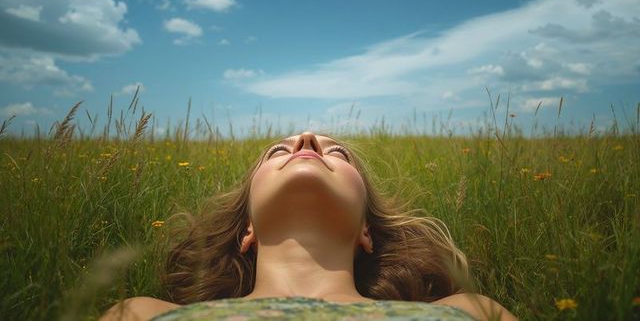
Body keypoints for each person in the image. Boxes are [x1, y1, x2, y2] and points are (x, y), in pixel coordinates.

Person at [99, 132, 517, 321]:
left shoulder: (471, 312)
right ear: (248, 228)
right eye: (278, 151)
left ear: (366, 230)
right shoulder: (138, 313)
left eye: (340, 155)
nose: (306, 140)